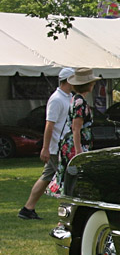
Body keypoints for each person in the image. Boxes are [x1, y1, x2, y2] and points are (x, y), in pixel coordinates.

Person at [19, 67, 74, 219]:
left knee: (46, 177)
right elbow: (49, 125)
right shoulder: (57, 99)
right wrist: (46, 148)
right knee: (66, 181)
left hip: (61, 146)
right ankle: (67, 213)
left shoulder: (68, 97)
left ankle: (27, 208)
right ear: (68, 80)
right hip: (58, 147)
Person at [49, 67, 102, 196]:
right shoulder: (79, 103)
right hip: (75, 144)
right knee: (75, 175)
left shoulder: (77, 99)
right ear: (88, 85)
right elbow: (76, 128)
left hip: (78, 142)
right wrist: (78, 151)